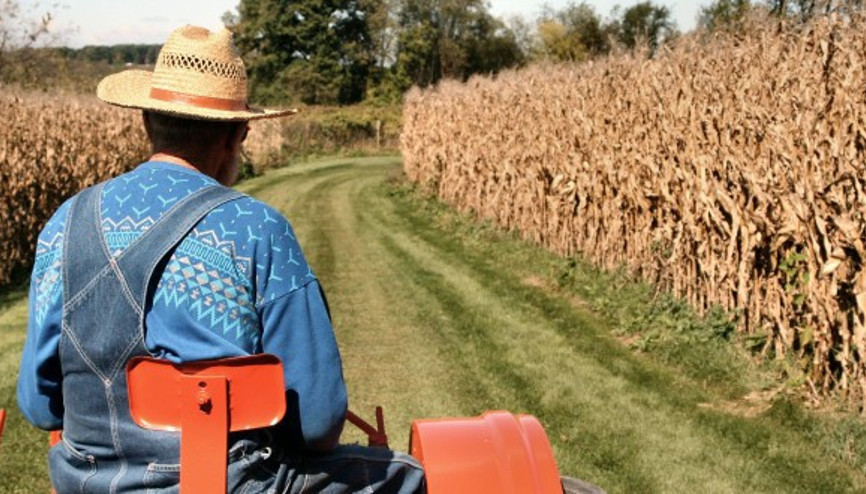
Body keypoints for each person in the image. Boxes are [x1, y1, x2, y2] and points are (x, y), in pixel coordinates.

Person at [17, 25, 425, 493]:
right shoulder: (257, 230)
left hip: (84, 484)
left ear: (147, 122)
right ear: (238, 136)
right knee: (412, 476)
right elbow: (317, 422)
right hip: (230, 485)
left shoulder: (64, 225)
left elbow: (39, 405)